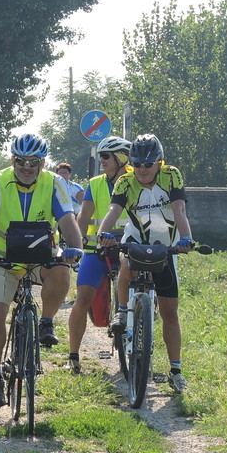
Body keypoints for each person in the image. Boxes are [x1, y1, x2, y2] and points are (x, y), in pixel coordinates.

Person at [0, 133, 84, 407]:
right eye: (21, 161)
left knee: (61, 272)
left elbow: (67, 219)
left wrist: (75, 248)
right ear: (13, 160)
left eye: (34, 162)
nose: (27, 167)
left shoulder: (54, 183)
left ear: (43, 162)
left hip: (40, 256)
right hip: (1, 257)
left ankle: (45, 322)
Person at [96, 134, 196, 394]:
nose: (142, 169)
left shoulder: (172, 176)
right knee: (125, 259)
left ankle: (176, 371)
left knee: (169, 313)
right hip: (137, 238)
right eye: (137, 164)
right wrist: (103, 234)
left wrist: (187, 239)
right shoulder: (126, 182)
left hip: (166, 246)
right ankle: (121, 310)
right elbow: (113, 212)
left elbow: (179, 211)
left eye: (148, 164)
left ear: (159, 163)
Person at [65, 135, 132, 374]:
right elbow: (83, 216)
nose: (101, 160)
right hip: (98, 249)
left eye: (106, 156)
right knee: (82, 297)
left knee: (142, 287)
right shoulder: (94, 183)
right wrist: (78, 242)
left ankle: (141, 328)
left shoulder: (138, 180)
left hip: (128, 248)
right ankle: (73, 355)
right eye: (100, 156)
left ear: (121, 158)